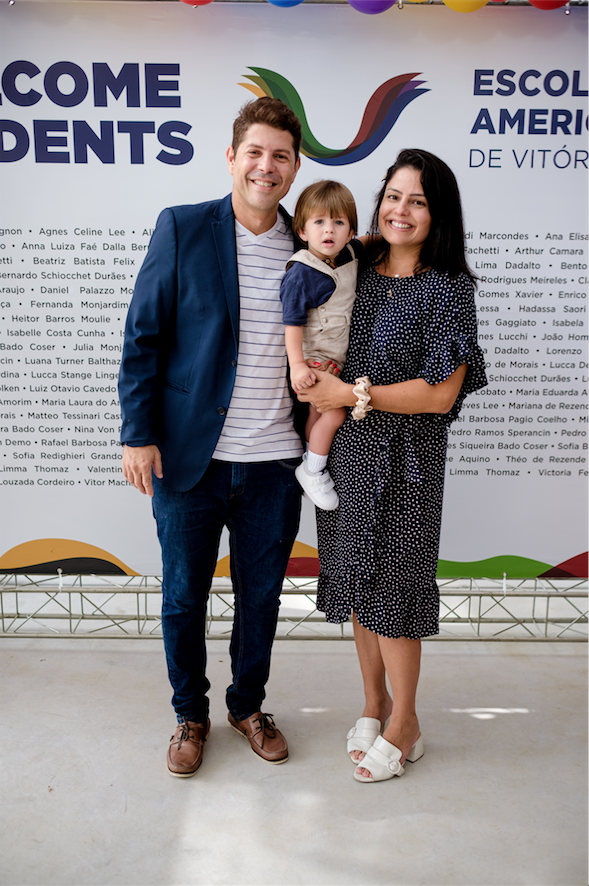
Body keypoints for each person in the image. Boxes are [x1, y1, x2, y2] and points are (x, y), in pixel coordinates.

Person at [118, 97, 305, 777]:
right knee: (182, 596)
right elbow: (143, 337)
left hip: (273, 463)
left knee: (261, 597)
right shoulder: (183, 228)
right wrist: (137, 435)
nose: (266, 166)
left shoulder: (311, 247)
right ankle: (188, 714)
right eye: (254, 152)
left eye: (279, 155)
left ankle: (246, 705)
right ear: (231, 157)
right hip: (187, 456)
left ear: (293, 166)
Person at [296, 149, 488, 783]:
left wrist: (352, 395)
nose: (401, 210)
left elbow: (440, 394)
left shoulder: (448, 287)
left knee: (397, 590)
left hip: (408, 461)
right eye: (394, 195)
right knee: (356, 582)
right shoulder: (355, 260)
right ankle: (374, 703)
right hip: (348, 454)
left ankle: (406, 720)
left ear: (439, 214)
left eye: (419, 200)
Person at [280, 181, 361, 511]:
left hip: (333, 359)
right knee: (336, 411)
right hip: (312, 361)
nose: (329, 230)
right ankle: (313, 469)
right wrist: (298, 365)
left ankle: (311, 458)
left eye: (338, 223)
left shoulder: (350, 256)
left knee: (319, 412)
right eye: (319, 222)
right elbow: (292, 325)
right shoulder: (301, 273)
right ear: (302, 230)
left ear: (351, 231)